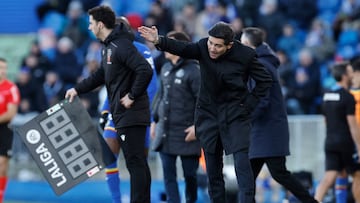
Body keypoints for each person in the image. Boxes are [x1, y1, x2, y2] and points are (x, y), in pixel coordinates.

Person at [138, 21, 273, 203]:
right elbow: (183, 48)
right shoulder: (203, 47)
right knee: (213, 171)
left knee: (242, 165)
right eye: (211, 43)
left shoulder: (246, 55)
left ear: (229, 45)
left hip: (235, 116)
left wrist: (248, 104)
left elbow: (265, 81)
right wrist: (159, 40)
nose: (212, 48)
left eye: (218, 45)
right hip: (208, 115)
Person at [65, 5, 153, 203]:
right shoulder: (108, 47)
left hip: (131, 114)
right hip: (123, 114)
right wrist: (77, 89)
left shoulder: (120, 46)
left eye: (91, 24)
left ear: (100, 25)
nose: (89, 28)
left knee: (135, 163)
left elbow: (145, 70)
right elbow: (100, 76)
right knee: (137, 163)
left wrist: (131, 96)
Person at [240, 27, 318, 203]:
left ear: (249, 45)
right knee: (253, 179)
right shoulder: (263, 63)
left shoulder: (260, 65)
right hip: (264, 131)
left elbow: (262, 100)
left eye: (243, 44)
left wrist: (244, 117)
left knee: (275, 174)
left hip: (267, 131)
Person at [97, 16, 158, 203]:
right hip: (116, 112)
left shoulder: (141, 50)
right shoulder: (108, 51)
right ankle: (116, 200)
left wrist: (132, 100)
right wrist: (105, 110)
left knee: (138, 162)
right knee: (109, 155)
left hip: (135, 112)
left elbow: (152, 83)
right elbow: (112, 85)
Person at [150, 30, 201, 203]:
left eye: (168, 44)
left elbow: (204, 103)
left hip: (187, 133)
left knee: (190, 176)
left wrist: (197, 127)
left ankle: (191, 201)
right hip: (166, 132)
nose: (164, 48)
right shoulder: (165, 68)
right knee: (168, 176)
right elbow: (160, 96)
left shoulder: (194, 71)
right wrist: (154, 121)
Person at [314, 61, 360, 202]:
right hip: (345, 142)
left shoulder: (327, 95)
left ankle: (314, 200)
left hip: (330, 141)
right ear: (345, 76)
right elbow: (352, 125)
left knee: (330, 177)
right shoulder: (348, 97)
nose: (353, 75)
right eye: (350, 72)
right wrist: (359, 147)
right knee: (357, 175)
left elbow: (325, 120)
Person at [0, 57, 20, 203]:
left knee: (2, 163)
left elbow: (11, 113)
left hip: (4, 128)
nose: (3, 71)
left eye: (4, 68)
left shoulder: (11, 88)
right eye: (1, 67)